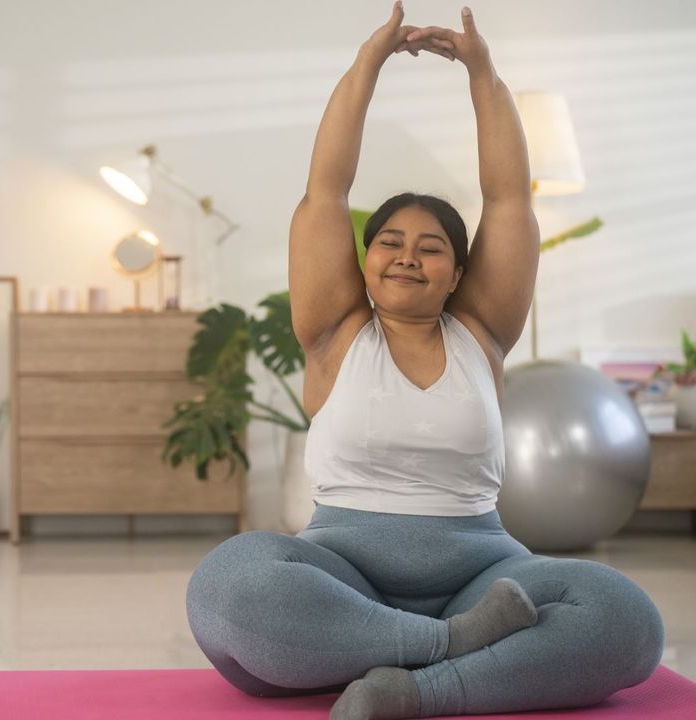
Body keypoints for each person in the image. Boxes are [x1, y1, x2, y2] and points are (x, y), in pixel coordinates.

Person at [184, 4, 665, 719]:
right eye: (389, 241)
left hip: (485, 574)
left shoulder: (482, 332)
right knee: (231, 586)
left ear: (457, 271)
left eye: (432, 245)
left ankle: (412, 689)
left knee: (624, 620)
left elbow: (508, 199)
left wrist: (482, 72)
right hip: (341, 572)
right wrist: (367, 66)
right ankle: (453, 647)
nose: (407, 253)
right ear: (366, 261)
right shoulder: (334, 334)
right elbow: (326, 191)